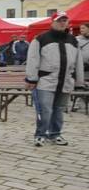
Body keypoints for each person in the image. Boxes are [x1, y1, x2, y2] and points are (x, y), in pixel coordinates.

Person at [25, 12, 85, 146]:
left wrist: (79, 81)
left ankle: (55, 134)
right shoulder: (41, 39)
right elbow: (33, 60)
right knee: (45, 110)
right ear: (52, 22)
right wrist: (31, 79)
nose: (62, 23)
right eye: (59, 20)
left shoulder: (73, 40)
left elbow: (78, 62)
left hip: (65, 81)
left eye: (64, 20)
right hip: (46, 81)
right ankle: (40, 134)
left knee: (58, 110)